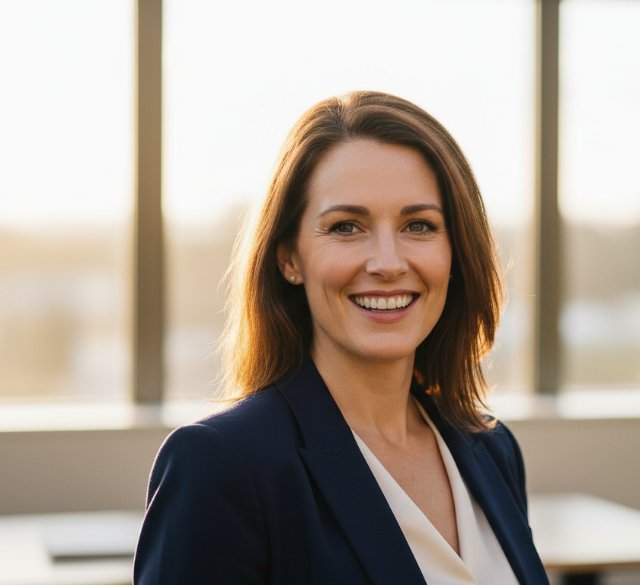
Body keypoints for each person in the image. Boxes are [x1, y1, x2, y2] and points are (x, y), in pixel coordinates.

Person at [133, 91, 549, 585]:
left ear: (455, 252)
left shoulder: (492, 449)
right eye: (347, 227)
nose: (389, 263)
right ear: (289, 258)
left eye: (419, 225)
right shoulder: (221, 467)